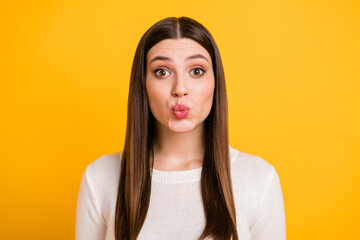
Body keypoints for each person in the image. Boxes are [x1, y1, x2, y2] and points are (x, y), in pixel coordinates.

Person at [76, 16, 286, 240]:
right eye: (162, 72)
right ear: (142, 85)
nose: (180, 89)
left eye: (196, 71)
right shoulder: (99, 178)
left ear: (216, 82)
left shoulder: (259, 179)